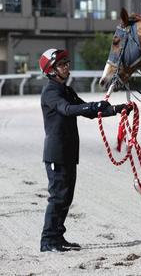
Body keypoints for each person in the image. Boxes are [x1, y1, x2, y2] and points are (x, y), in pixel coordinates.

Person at [38, 48, 128, 252]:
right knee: (58, 197)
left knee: (66, 197)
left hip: (69, 151)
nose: (66, 66)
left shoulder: (66, 90)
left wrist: (116, 109)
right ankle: (48, 241)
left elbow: (87, 110)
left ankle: (58, 238)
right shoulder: (51, 92)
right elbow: (68, 110)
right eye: (61, 64)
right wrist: (95, 106)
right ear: (51, 71)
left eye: (67, 62)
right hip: (57, 153)